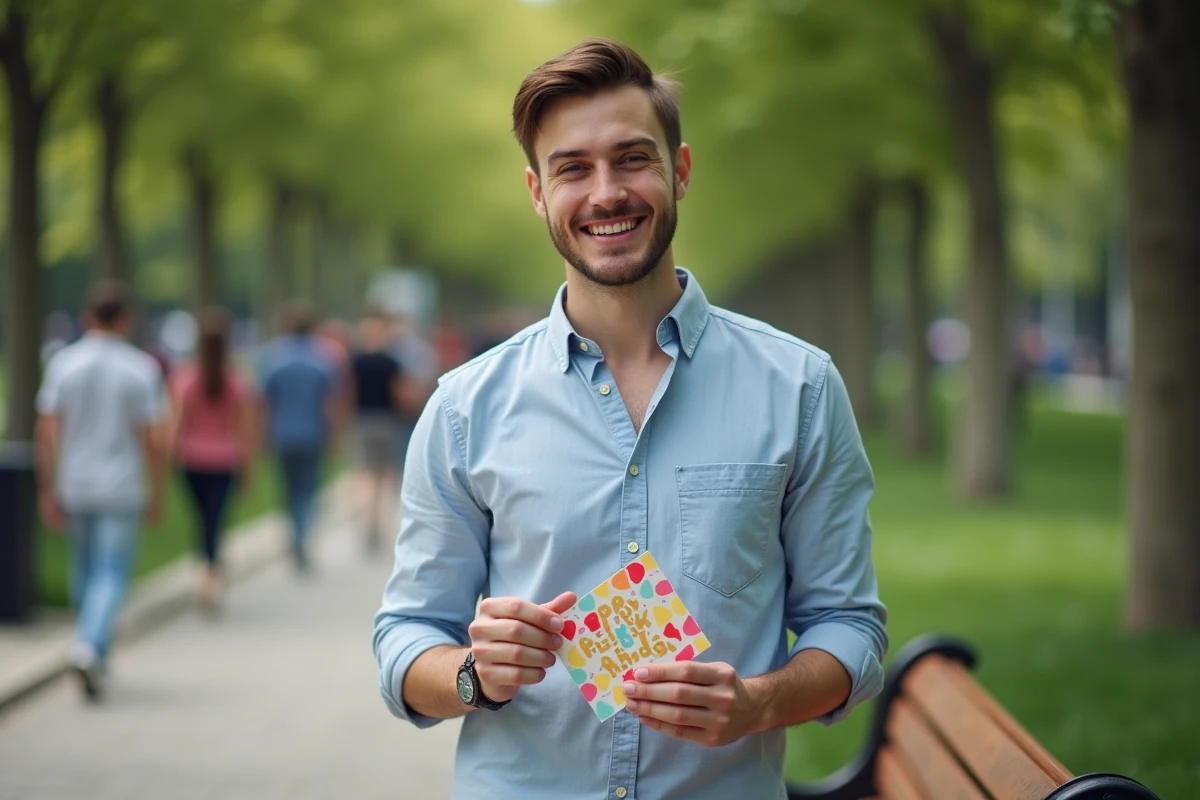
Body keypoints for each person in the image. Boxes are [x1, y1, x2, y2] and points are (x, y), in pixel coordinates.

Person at [373, 38, 887, 799]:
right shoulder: (463, 409)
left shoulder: (799, 387)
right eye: (573, 168)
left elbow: (851, 627)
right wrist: (476, 675)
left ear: (680, 171)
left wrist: (757, 705)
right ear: (537, 192)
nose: (606, 192)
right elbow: (405, 643)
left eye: (633, 159)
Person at [35, 280, 166, 702]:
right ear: (125, 319)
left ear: (87, 317)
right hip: (122, 483)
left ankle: (91, 646)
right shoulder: (140, 368)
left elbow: (47, 431)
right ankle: (91, 646)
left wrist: (47, 486)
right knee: (111, 573)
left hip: (75, 482)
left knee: (85, 570)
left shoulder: (63, 364)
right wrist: (157, 488)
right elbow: (151, 437)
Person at [167, 307, 257, 612]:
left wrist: (169, 457)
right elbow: (243, 429)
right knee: (215, 520)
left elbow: (177, 423)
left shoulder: (186, 379)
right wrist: (247, 467)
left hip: (192, 461)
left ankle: (208, 570)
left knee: (203, 519)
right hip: (224, 461)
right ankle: (212, 572)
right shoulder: (237, 381)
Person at [259, 300, 336, 572]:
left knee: (288, 490)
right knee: (309, 490)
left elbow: (265, 401)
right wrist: (335, 435)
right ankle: (302, 536)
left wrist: (261, 435)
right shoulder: (322, 359)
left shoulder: (274, 357)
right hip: (312, 433)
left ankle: (294, 536)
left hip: (282, 433)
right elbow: (329, 402)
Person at [349, 307, 413, 551]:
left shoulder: (356, 360)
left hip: (363, 421)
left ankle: (365, 516)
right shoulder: (391, 362)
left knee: (364, 471)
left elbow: (349, 392)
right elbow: (401, 395)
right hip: (386, 422)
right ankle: (375, 521)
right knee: (382, 476)